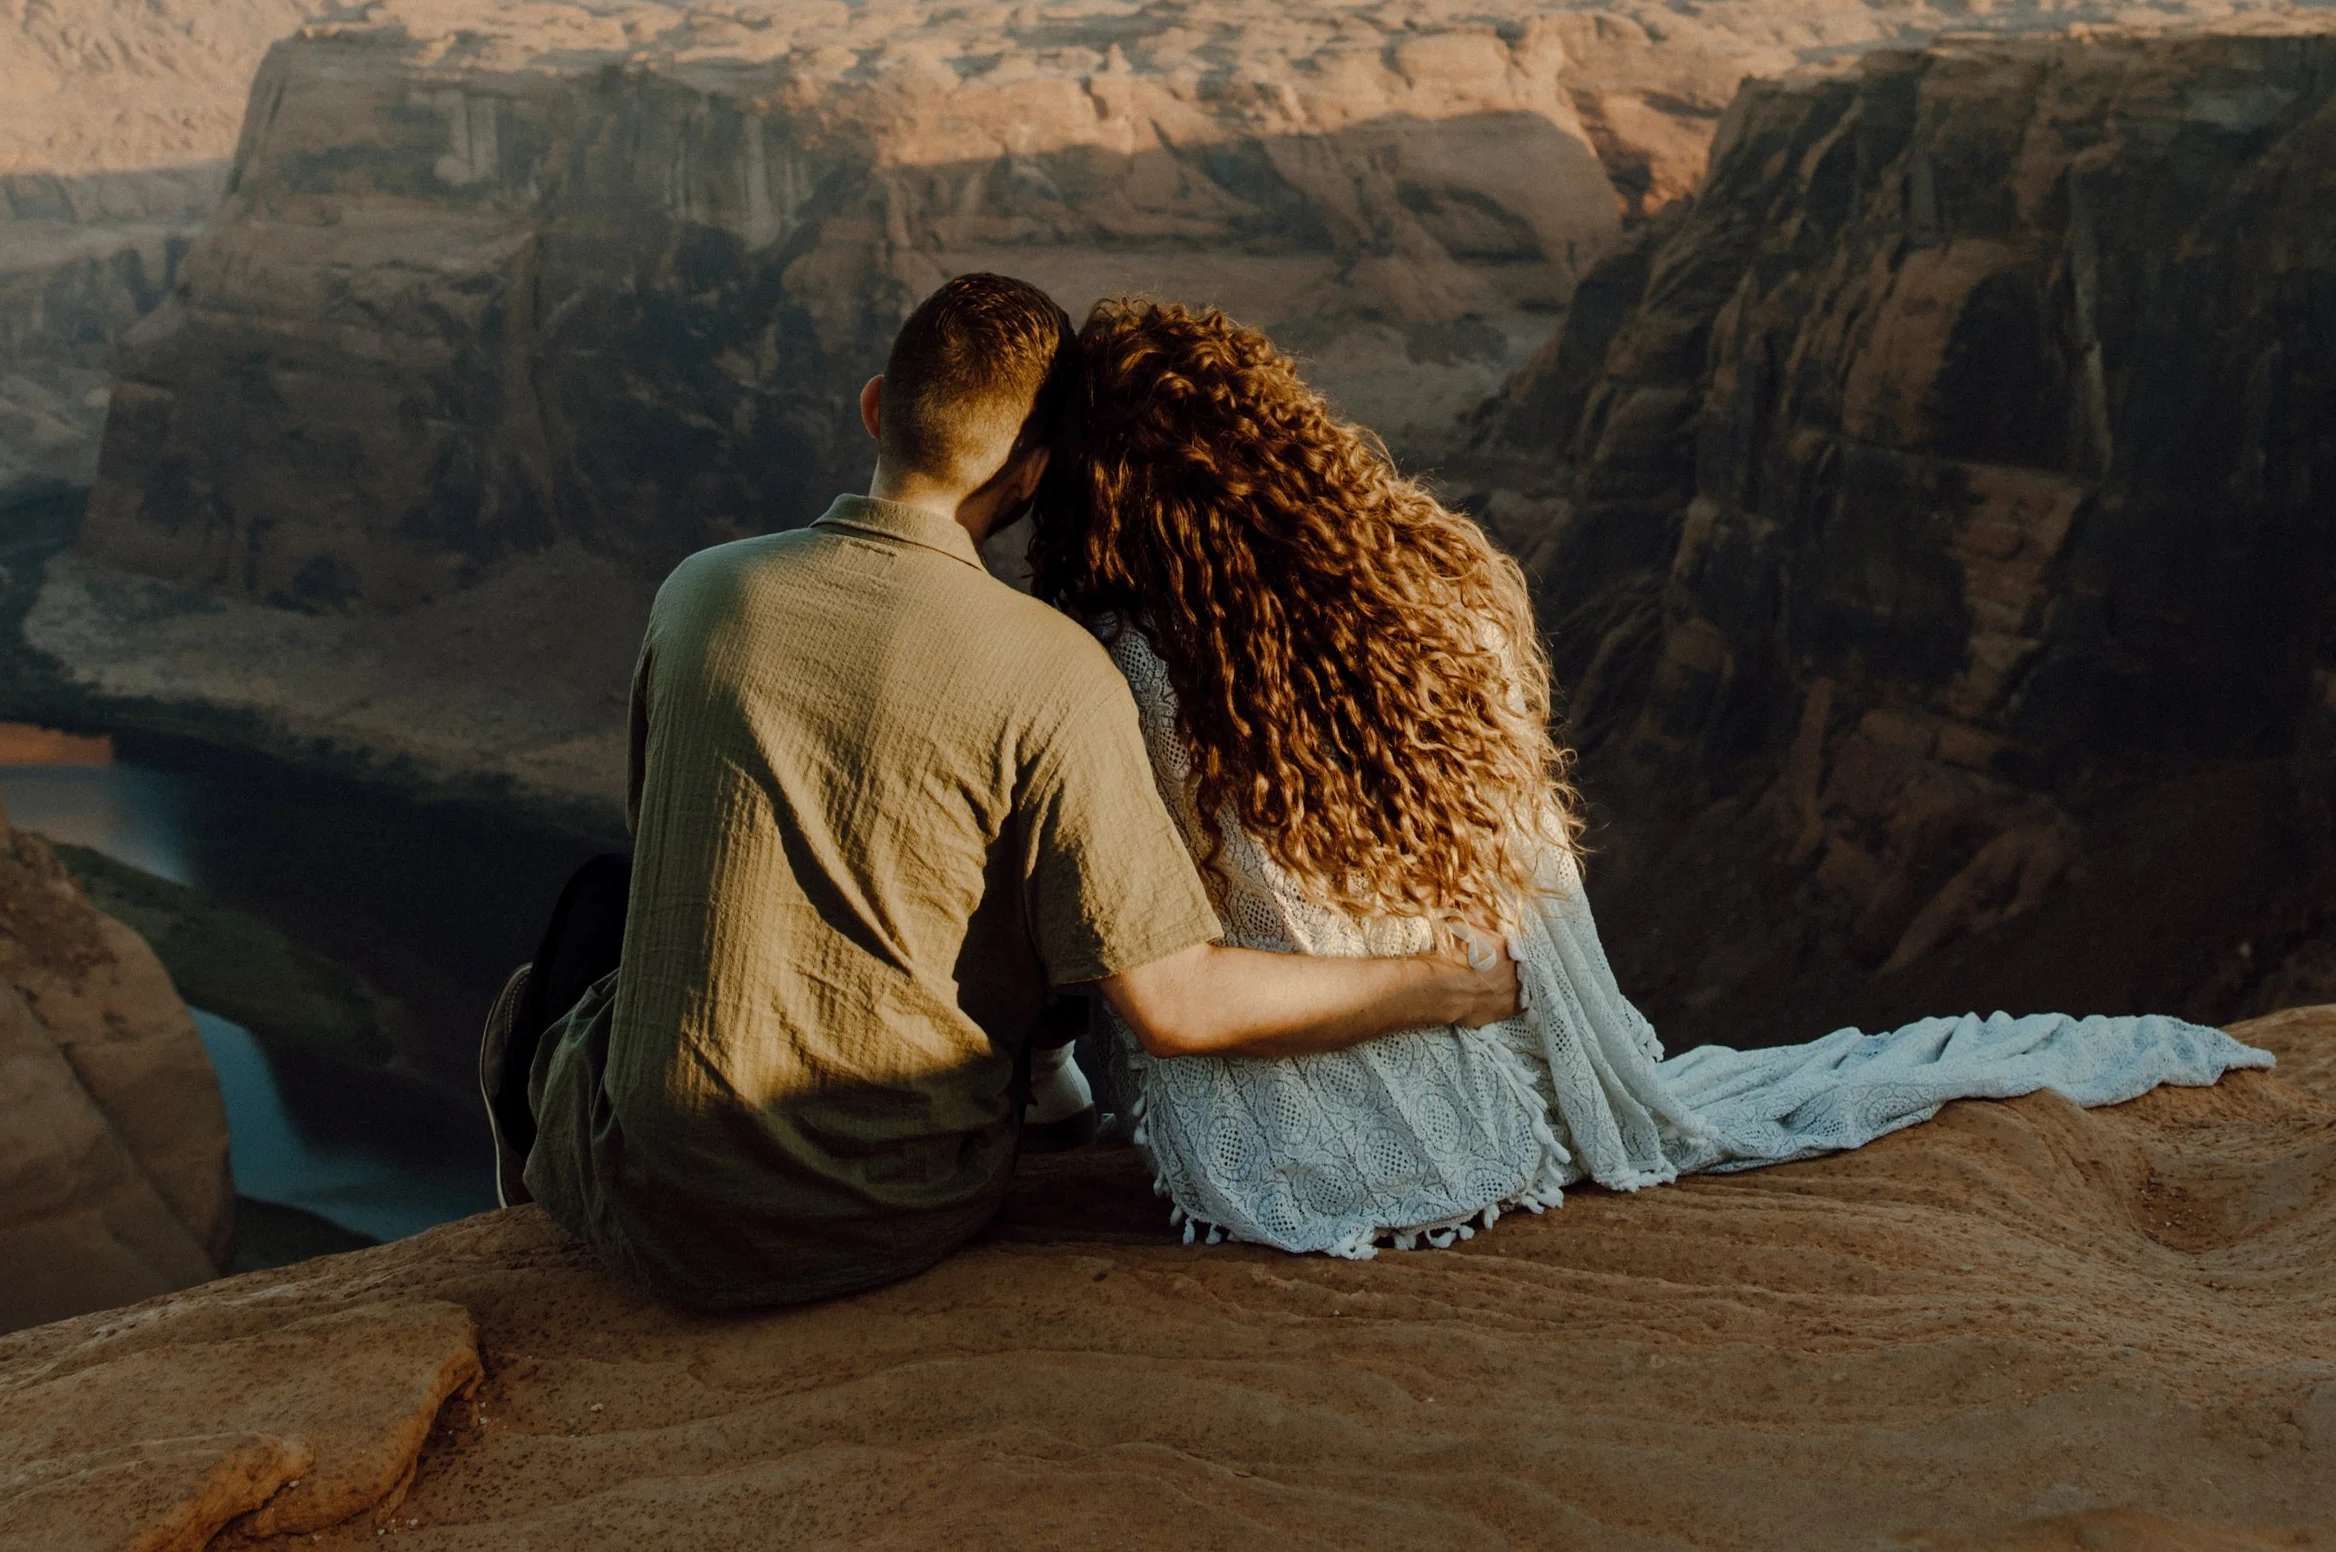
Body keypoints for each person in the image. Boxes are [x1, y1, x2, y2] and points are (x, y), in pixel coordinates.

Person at [1028, 296, 2274, 1258]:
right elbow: (1522, 868)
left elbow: (1158, 959)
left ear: (1099, 490)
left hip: (1294, 1162)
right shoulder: (1438, 587)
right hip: (1510, 1097)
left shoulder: (1131, 668)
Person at [478, 273, 1523, 1309]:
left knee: (594, 911)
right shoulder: (1055, 670)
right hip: (891, 1206)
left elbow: (675, 842)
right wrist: (1442, 985)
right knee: (1051, 882)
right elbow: (1177, 1004)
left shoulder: (700, 593)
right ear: (1031, 474)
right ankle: (1049, 1097)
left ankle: (524, 1201)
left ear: (876, 406)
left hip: (649, 1204)